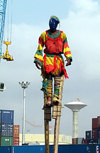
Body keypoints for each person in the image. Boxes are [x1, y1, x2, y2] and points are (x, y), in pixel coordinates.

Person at [34, 16, 72, 107]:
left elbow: (66, 47)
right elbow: (39, 48)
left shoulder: (62, 35)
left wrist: (68, 57)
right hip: (48, 60)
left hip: (58, 60)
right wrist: (38, 60)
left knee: (58, 78)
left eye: (54, 23)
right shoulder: (44, 35)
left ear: (57, 24)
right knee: (49, 78)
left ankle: (56, 97)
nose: (52, 25)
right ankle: (49, 98)